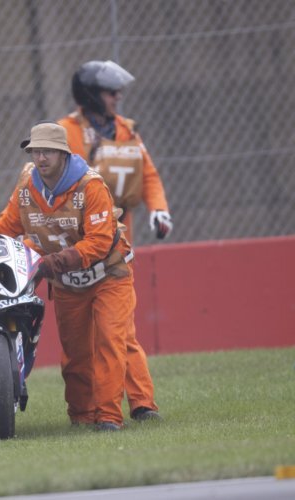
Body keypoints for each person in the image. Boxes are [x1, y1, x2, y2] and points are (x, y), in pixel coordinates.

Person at [0, 122, 135, 431]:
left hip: (109, 274)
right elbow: (6, 225)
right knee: (75, 353)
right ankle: (80, 415)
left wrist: (52, 263)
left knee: (110, 343)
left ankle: (108, 417)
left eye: (48, 152)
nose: (41, 158)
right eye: (36, 152)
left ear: (63, 154)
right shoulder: (28, 186)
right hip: (67, 282)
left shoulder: (90, 186)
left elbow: (99, 241)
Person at [58, 60, 169, 421]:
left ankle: (141, 403)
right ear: (91, 94)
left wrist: (158, 209)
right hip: (74, 249)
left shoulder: (127, 132)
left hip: (118, 250)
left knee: (121, 331)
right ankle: (87, 409)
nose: (118, 97)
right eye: (111, 92)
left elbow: (147, 174)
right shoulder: (66, 131)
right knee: (82, 343)